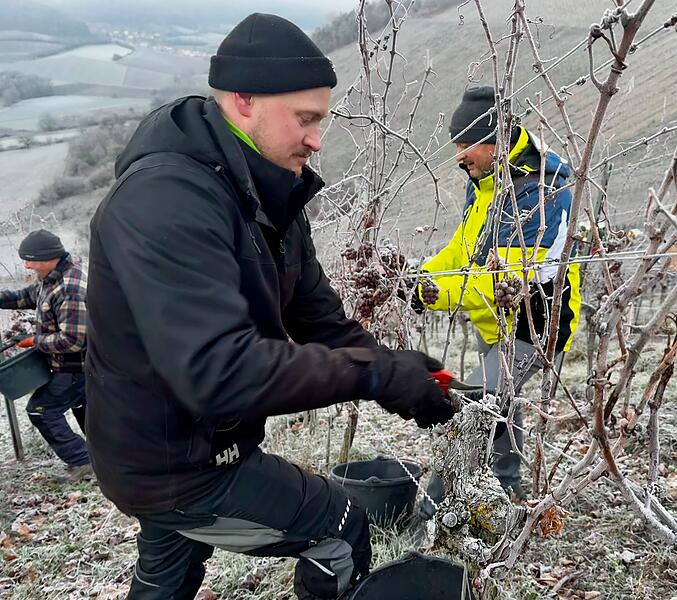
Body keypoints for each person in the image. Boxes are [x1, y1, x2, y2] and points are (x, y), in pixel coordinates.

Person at [85, 13, 454, 600]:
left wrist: (400, 372)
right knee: (339, 529)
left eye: (319, 120)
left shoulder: (267, 191)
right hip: (175, 465)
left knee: (170, 569)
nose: (316, 139)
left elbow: (318, 318)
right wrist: (374, 375)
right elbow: (219, 371)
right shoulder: (164, 201)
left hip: (177, 450)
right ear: (243, 100)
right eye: (305, 119)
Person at [416, 86, 582, 515]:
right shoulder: (483, 182)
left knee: (472, 401)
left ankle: (432, 511)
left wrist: (437, 294)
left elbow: (504, 280)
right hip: (493, 323)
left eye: (466, 145)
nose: (459, 156)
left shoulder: (544, 190)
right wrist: (424, 276)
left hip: (535, 325)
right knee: (500, 402)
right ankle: (507, 487)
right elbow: (463, 248)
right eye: (456, 145)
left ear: (496, 141)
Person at [0, 229, 91, 481]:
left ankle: (82, 460)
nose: (27, 266)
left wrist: (34, 341)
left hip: (75, 367)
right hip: (68, 366)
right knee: (84, 408)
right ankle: (105, 458)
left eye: (30, 260)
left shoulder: (70, 288)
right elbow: (24, 297)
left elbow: (73, 340)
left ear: (49, 257)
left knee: (41, 410)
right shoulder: (51, 279)